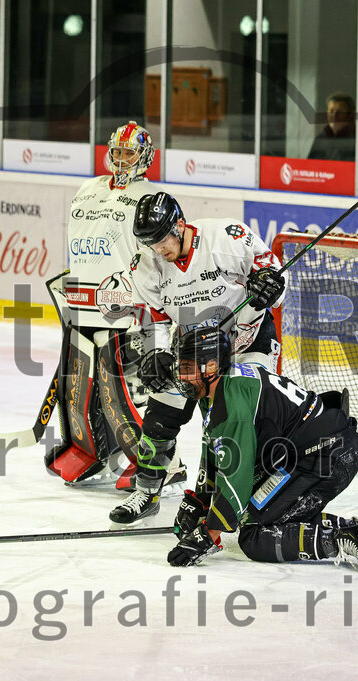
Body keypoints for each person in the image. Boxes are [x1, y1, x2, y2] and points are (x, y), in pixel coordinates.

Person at [108, 192, 286, 525]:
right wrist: (155, 353)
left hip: (248, 338)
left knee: (247, 415)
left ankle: (248, 493)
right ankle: (147, 491)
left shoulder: (228, 237)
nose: (158, 249)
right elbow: (151, 317)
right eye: (150, 243)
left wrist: (270, 288)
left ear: (180, 224)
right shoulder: (147, 263)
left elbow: (278, 280)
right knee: (161, 412)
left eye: (162, 240)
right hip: (194, 345)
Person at [164, 328, 358, 571]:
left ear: (210, 367)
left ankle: (349, 539)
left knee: (254, 536)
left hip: (327, 454)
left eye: (187, 368)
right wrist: (201, 499)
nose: (181, 375)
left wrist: (207, 534)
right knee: (253, 512)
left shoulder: (232, 406)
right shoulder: (220, 387)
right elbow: (215, 448)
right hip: (318, 449)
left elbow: (235, 482)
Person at [44, 121, 181, 491]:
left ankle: (155, 462)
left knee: (124, 391)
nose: (121, 160)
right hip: (81, 301)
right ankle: (90, 452)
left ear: (145, 156)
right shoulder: (88, 188)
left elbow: (158, 256)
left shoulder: (152, 195)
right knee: (79, 389)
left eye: (129, 153)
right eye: (117, 152)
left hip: (126, 306)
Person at [307, 93, 358, 163]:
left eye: (340, 112)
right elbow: (309, 166)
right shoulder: (321, 139)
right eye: (331, 111)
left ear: (351, 114)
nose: (334, 116)